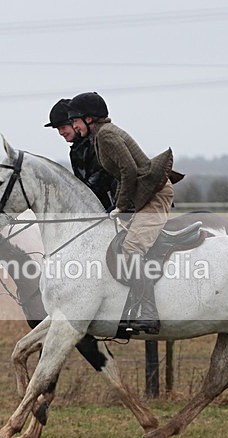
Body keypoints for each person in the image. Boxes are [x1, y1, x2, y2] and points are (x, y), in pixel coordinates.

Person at [67, 92, 180, 335]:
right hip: (144, 194)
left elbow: (128, 171)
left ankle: (147, 311)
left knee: (132, 248)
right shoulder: (100, 135)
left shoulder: (106, 135)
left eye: (75, 120)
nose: (73, 126)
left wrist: (119, 206)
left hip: (156, 195)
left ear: (89, 119)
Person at [44, 98, 116, 210]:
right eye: (58, 129)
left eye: (63, 127)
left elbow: (100, 179)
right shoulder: (75, 150)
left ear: (75, 123)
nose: (61, 133)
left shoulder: (97, 142)